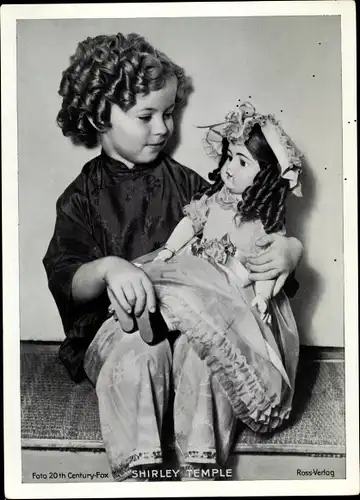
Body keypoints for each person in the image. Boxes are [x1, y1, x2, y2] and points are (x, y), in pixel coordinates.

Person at [43, 33, 303, 481]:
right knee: (138, 355)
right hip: (117, 327)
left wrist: (289, 250)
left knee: (208, 354)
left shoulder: (187, 184)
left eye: (168, 113)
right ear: (98, 116)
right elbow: (67, 276)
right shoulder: (80, 198)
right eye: (146, 115)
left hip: (190, 329)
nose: (163, 128)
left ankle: (201, 470)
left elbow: (241, 228)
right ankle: (141, 475)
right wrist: (108, 268)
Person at [134, 101, 302, 442]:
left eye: (242, 162)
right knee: (167, 280)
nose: (229, 169)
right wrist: (167, 250)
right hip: (197, 269)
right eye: (229, 158)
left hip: (234, 288)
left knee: (219, 328)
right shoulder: (214, 199)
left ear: (266, 175)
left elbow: (267, 266)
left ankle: (165, 324)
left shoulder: (262, 220)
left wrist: (263, 298)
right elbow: (189, 224)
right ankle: (156, 319)